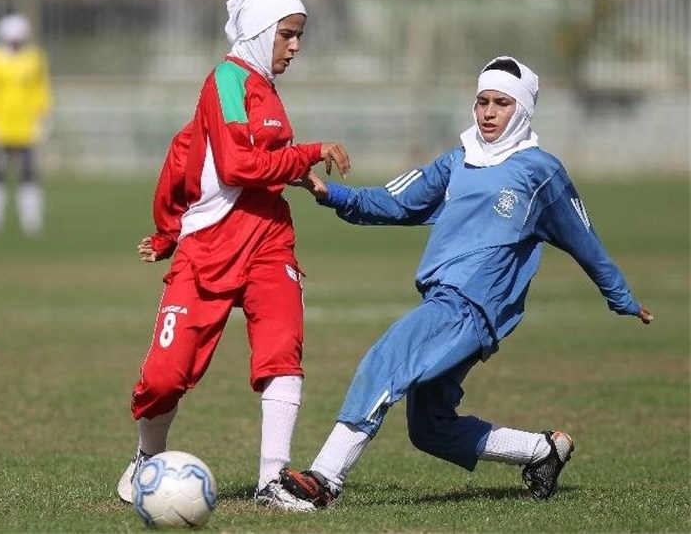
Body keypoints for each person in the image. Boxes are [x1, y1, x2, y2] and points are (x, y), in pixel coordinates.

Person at [275, 55, 654, 511]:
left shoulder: (540, 171)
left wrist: (622, 297)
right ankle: (542, 450)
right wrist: (328, 192)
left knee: (385, 358)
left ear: (523, 111)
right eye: (482, 102)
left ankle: (324, 481)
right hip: (443, 298)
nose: (489, 112)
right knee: (430, 428)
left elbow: (584, 239)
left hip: (471, 307)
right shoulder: (458, 160)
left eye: (501, 103)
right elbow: (395, 201)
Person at [115, 0, 351, 510]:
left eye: (299, 37)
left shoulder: (265, 87)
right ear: (260, 30)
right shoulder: (225, 79)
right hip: (210, 248)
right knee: (164, 377)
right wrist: (168, 232)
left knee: (281, 351)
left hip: (269, 239)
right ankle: (147, 459)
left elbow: (257, 157)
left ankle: (273, 481)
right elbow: (231, 165)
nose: (295, 46)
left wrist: (299, 174)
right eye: (287, 35)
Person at [0, 13, 52, 236]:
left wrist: (43, 117)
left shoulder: (35, 58)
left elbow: (41, 90)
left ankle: (31, 221)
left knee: (29, 175)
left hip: (26, 128)